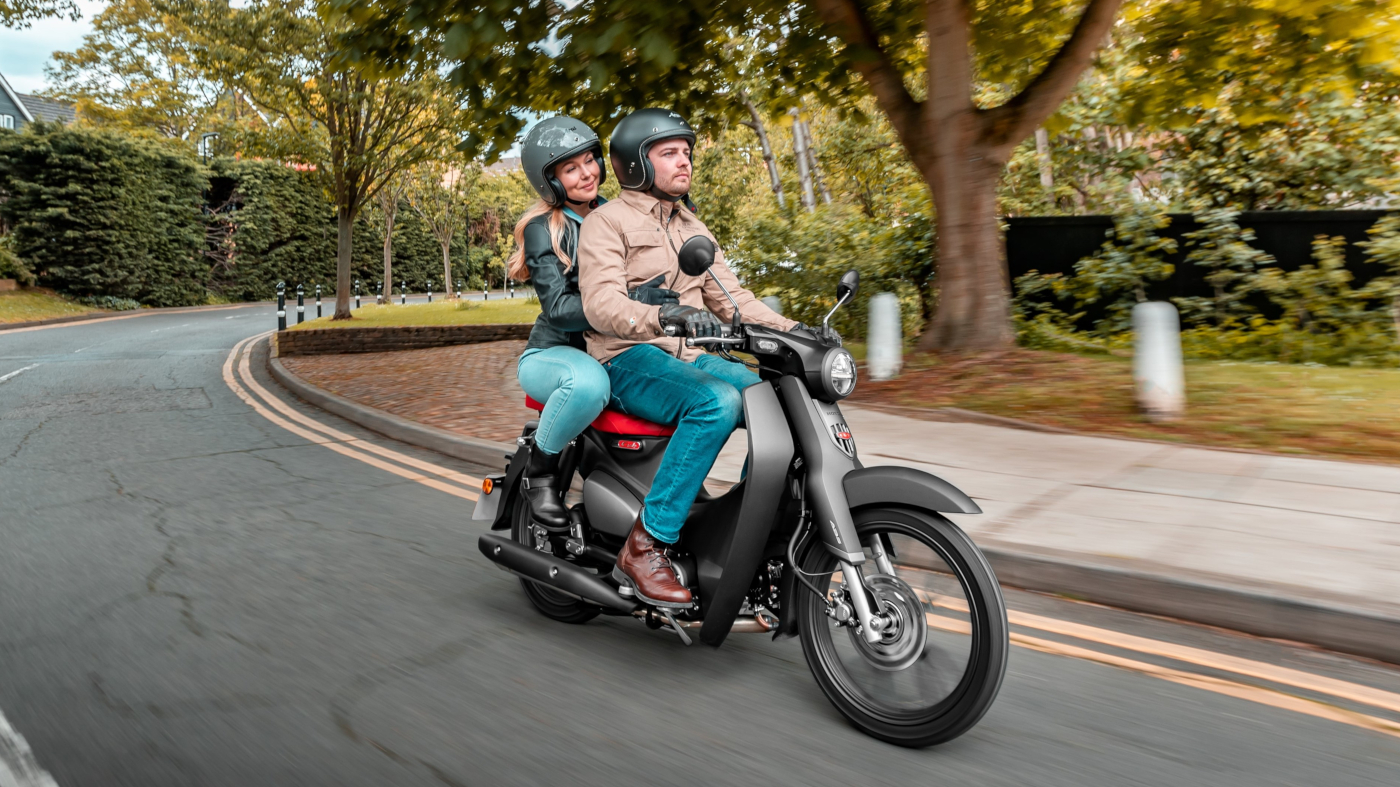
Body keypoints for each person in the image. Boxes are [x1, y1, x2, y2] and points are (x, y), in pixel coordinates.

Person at [577, 108, 799, 608]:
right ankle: (646, 544)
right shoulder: (606, 222)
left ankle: (752, 536)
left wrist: (797, 333)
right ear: (636, 163)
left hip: (692, 357)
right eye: (670, 153)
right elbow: (601, 303)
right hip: (629, 356)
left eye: (687, 153)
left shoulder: (692, 225)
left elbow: (734, 300)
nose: (685, 163)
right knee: (715, 403)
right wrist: (666, 317)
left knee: (779, 399)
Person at [510, 116, 676, 528]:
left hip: (613, 349)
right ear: (549, 180)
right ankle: (540, 476)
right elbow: (559, 309)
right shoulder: (542, 229)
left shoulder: (619, 213)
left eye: (590, 160)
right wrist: (630, 301)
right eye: (571, 168)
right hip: (556, 354)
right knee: (588, 385)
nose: (587, 173)